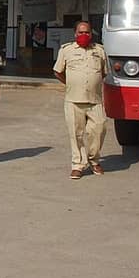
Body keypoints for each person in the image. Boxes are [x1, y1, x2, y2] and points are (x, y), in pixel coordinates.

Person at [53, 21, 107, 179]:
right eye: (81, 32)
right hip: (73, 100)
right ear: (75, 34)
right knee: (76, 134)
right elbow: (58, 71)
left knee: (99, 130)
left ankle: (94, 160)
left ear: (91, 34)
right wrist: (70, 83)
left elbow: (104, 72)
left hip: (94, 100)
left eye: (87, 32)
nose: (84, 35)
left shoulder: (99, 51)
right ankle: (78, 164)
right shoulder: (66, 50)